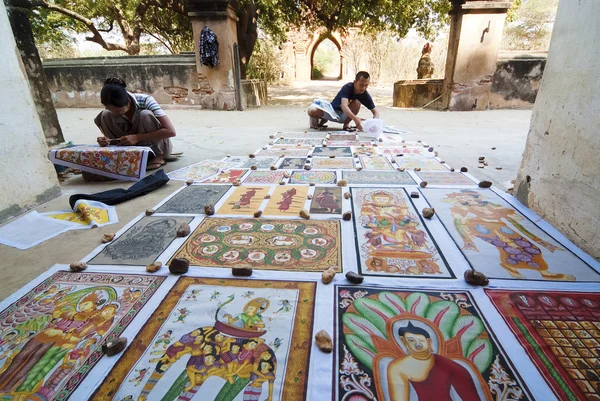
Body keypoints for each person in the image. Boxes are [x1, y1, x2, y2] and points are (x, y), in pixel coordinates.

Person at [95, 78, 177, 170]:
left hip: (155, 147)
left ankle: (158, 156)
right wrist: (106, 140)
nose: (116, 113)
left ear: (129, 102)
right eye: (110, 109)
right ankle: (117, 152)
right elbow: (111, 115)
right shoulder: (111, 107)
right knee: (105, 114)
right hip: (128, 147)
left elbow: (171, 131)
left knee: (145, 114)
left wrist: (137, 137)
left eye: (119, 110)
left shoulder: (146, 100)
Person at [387, 322, 482, 401]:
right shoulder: (397, 366)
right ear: (403, 341)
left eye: (421, 340)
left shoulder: (447, 364)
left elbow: (470, 396)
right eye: (411, 340)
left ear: (428, 342)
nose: (417, 344)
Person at [307, 71, 380, 131]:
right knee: (312, 110)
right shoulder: (347, 87)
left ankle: (346, 125)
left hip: (344, 116)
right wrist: (355, 119)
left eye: (366, 85)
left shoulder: (364, 94)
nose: (363, 88)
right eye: (361, 85)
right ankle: (322, 119)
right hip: (333, 112)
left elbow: (375, 112)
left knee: (357, 102)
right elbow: (344, 106)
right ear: (355, 82)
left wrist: (373, 122)